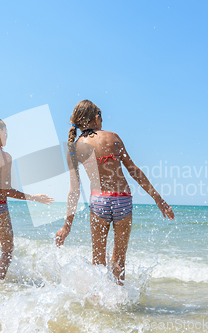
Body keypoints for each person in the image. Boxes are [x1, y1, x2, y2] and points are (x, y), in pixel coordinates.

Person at [55, 100, 175, 284]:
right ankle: (119, 306)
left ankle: (101, 307)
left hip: (98, 203)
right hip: (123, 201)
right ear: (97, 119)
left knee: (98, 261)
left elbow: (74, 191)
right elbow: (134, 171)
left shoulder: (75, 148)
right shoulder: (113, 137)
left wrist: (66, 226)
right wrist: (158, 199)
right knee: (119, 262)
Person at [0, 117, 53, 279]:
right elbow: (6, 190)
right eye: (5, 131)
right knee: (7, 250)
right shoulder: (5, 157)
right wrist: (33, 197)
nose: (7, 135)